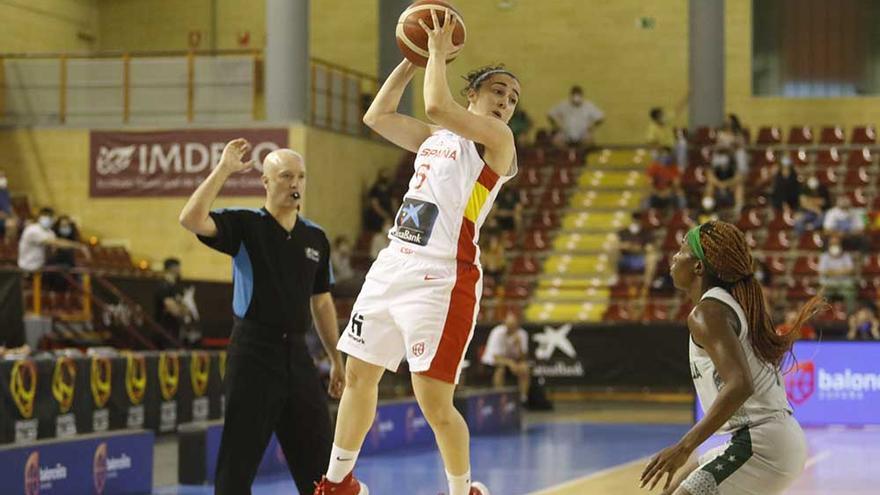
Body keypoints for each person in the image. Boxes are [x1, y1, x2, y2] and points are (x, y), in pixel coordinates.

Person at [315, 11, 516, 495]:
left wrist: (436, 54)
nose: (506, 103)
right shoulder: (433, 138)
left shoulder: (497, 142)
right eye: (497, 92)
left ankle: (463, 488)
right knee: (361, 375)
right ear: (475, 94)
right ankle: (339, 483)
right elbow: (376, 117)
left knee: (434, 402)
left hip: (443, 277)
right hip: (392, 267)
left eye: (512, 99)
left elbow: (438, 103)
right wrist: (411, 57)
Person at [179, 139, 345, 494]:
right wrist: (224, 168)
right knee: (238, 462)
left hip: (298, 356)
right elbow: (190, 218)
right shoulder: (245, 225)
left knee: (319, 459)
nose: (294, 183)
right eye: (285, 176)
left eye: (300, 176)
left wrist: (336, 359)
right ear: (266, 182)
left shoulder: (315, 236)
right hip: (253, 353)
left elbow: (322, 303)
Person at [641, 221, 822, 495]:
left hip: (762, 444)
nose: (674, 258)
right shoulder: (728, 303)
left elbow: (740, 384)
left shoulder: (707, 313)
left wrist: (684, 447)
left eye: (681, 251)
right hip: (764, 439)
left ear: (698, 267)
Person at [18, 208, 89, 273]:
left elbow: (56, 246)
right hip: (29, 266)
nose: (47, 219)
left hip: (43, 265)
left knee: (67, 258)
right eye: (45, 216)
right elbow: (56, 242)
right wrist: (79, 246)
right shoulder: (32, 229)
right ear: (39, 217)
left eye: (50, 217)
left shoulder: (50, 232)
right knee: (64, 265)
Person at [482, 312, 530, 403]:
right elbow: (496, 357)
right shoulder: (497, 332)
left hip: (513, 363)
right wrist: (510, 363)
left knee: (525, 368)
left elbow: (523, 358)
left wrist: (519, 346)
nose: (510, 327)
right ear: (504, 323)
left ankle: (523, 399)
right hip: (492, 362)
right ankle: (499, 397)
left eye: (513, 325)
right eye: (508, 324)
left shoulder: (522, 334)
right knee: (501, 370)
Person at [153, 258, 198, 347]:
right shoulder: (164, 286)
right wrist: (182, 309)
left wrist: (182, 308)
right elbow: (175, 310)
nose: (180, 270)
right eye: (178, 267)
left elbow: (186, 311)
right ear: (173, 268)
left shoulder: (175, 287)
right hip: (164, 332)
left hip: (174, 332)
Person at [547, 85, 604, 150]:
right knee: (556, 141)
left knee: (589, 141)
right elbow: (550, 114)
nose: (576, 98)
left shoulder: (588, 105)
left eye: (578, 95)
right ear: (571, 95)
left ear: (581, 96)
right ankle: (566, 156)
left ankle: (582, 156)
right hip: (565, 132)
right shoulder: (563, 104)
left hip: (583, 132)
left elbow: (600, 117)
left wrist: (592, 126)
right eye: (574, 95)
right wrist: (556, 125)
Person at [818, 236, 856, 314]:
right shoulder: (824, 256)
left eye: (836, 243)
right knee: (822, 293)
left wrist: (832, 272)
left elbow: (851, 270)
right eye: (832, 243)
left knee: (851, 291)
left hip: (844, 284)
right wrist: (841, 271)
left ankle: (850, 314)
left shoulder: (846, 255)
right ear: (829, 245)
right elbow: (823, 272)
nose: (834, 245)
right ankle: (822, 315)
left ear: (840, 245)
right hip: (828, 284)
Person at [0, 171, 18, 241]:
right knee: (11, 224)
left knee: (24, 223)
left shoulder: (5, 191)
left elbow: (9, 207)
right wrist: (9, 217)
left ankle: (12, 244)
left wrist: (15, 216)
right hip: (2, 218)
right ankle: (7, 245)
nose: (3, 179)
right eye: (0, 177)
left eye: (4, 177)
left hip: (7, 217)